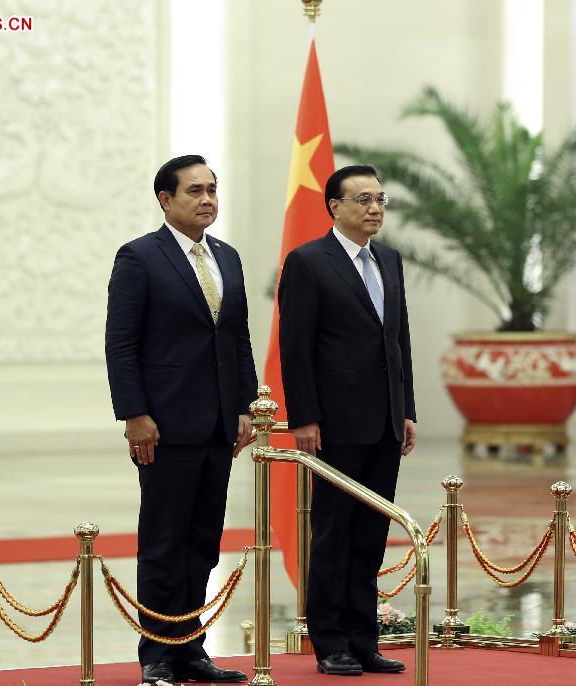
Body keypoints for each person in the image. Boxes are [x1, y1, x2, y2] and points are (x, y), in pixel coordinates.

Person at [105, 154, 257, 684]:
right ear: (165, 200)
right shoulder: (140, 258)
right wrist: (134, 415)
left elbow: (237, 339)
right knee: (165, 540)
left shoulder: (228, 258)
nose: (207, 199)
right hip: (164, 424)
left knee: (202, 538)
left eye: (212, 189)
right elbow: (121, 345)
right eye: (194, 191)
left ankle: (191, 648)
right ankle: (158, 654)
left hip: (219, 423)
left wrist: (244, 406)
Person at [278, 165, 417, 676]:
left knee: (372, 534)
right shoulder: (309, 262)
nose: (374, 208)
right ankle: (330, 641)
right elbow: (296, 348)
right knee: (333, 533)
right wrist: (305, 417)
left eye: (380, 199)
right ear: (334, 206)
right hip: (333, 423)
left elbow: (399, 341)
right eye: (362, 199)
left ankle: (364, 639)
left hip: (384, 421)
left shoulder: (390, 260)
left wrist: (407, 410)